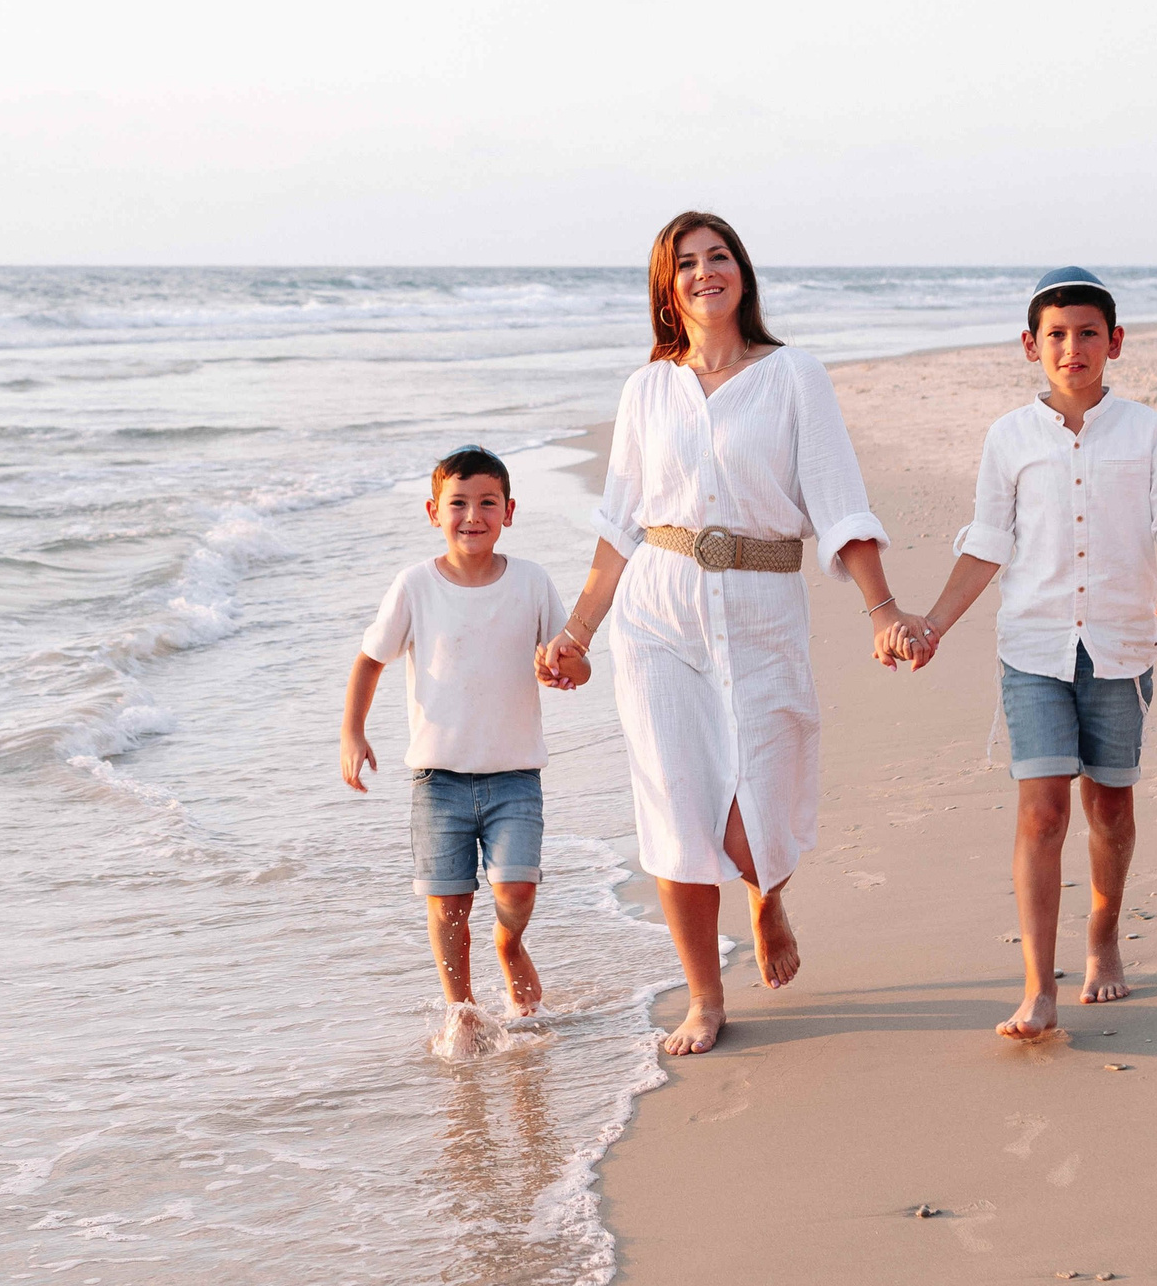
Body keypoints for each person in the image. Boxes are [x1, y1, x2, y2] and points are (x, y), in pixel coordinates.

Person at [536, 211, 934, 1056]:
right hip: (656, 614)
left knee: (758, 824)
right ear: (665, 286)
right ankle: (705, 998)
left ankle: (765, 895)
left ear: (742, 275)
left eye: (719, 257)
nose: (704, 272)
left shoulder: (793, 375)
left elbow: (839, 501)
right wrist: (576, 631)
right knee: (676, 811)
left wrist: (883, 608)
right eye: (686, 263)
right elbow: (619, 528)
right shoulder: (647, 389)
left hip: (762, 605)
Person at [906, 267, 1157, 1040]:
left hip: (1120, 643)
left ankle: (1103, 936)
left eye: (1087, 333)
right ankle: (1038, 986)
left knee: (1109, 808)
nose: (1071, 348)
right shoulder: (1007, 438)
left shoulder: (1145, 430)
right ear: (1029, 344)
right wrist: (933, 622)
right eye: (1056, 334)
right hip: (1034, 648)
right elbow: (986, 544)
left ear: (1115, 341)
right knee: (1042, 813)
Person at [341, 446, 589, 1059]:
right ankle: (463, 1008)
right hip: (438, 779)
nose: (471, 515)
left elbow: (573, 661)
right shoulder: (415, 586)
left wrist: (563, 670)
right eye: (458, 503)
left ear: (509, 511)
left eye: (486, 503)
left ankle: (509, 944)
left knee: (516, 892)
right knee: (449, 902)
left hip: (514, 775)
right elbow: (370, 660)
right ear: (433, 511)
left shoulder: (531, 581)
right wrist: (353, 732)